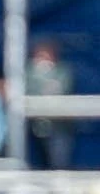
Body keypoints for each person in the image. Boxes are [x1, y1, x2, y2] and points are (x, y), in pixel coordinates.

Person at [23, 39, 75, 170]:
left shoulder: (63, 72)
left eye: (47, 54)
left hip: (58, 128)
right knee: (35, 166)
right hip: (33, 128)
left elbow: (62, 90)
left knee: (59, 166)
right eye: (41, 54)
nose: (44, 59)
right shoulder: (27, 72)